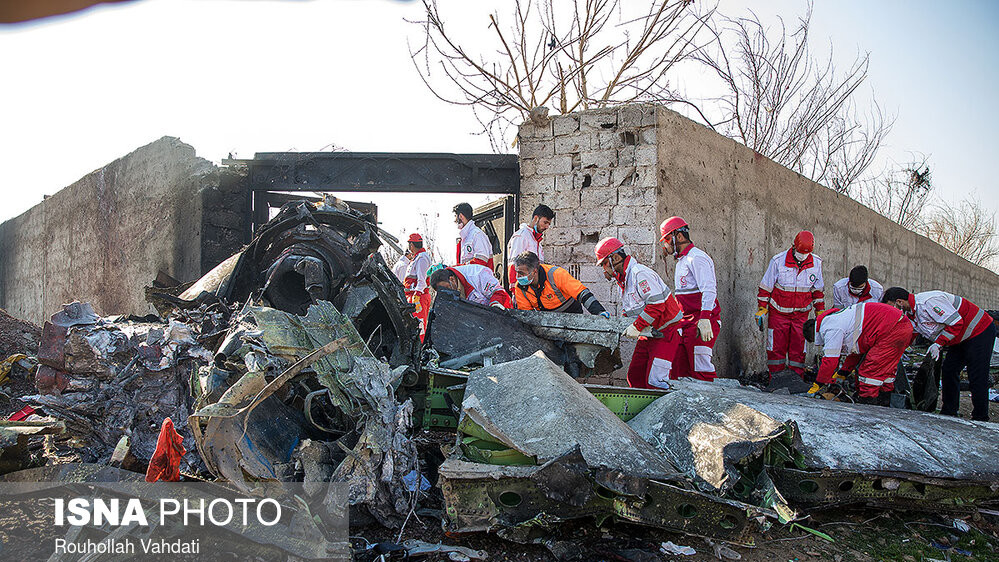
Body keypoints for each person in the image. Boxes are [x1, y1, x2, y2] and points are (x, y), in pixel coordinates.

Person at [883, 287, 996, 421]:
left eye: (892, 307)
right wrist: (895, 352)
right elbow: (910, 335)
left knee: (977, 376)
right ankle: (949, 411)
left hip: (979, 330)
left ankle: (981, 417)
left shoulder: (929, 302)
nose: (894, 311)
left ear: (899, 302)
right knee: (949, 370)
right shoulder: (912, 314)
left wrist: (938, 343)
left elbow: (956, 323)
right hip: (960, 337)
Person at [595, 237, 683, 390]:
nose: (604, 269)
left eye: (604, 263)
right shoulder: (623, 281)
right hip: (648, 333)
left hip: (666, 333)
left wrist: (636, 326)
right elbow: (631, 309)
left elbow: (656, 306)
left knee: (656, 382)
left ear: (615, 258)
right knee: (635, 376)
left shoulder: (639, 274)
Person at [803, 302, 913, 405]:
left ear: (814, 336)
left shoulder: (830, 327)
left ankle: (867, 409)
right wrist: (843, 373)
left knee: (870, 374)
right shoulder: (839, 319)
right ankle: (884, 403)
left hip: (892, 329)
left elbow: (830, 360)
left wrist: (818, 384)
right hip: (898, 325)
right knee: (884, 372)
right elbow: (856, 353)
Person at [756, 230, 825, 379]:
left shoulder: (816, 264)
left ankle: (795, 380)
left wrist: (820, 312)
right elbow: (765, 287)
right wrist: (762, 308)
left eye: (805, 253)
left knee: (798, 350)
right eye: (800, 252)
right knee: (775, 350)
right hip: (778, 314)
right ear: (793, 246)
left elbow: (817, 291)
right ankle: (775, 379)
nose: (802, 256)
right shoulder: (778, 261)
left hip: (801, 316)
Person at [660, 216, 720, 381]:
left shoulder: (697, 258)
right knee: (680, 370)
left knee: (701, 370)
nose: (665, 244)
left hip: (701, 321)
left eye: (666, 239)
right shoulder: (682, 261)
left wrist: (705, 318)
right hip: (686, 323)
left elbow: (708, 290)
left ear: (678, 236)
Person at [511, 251, 609, 316]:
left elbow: (582, 293)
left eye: (521, 273)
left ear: (534, 271)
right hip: (547, 320)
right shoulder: (520, 287)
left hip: (571, 314)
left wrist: (599, 312)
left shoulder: (556, 274)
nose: (518, 277)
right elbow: (527, 315)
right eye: (517, 272)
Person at [507, 205, 555, 289]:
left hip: (535, 288)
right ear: (536, 218)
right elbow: (513, 265)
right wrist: (515, 289)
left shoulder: (536, 241)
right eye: (545, 222)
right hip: (523, 289)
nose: (547, 227)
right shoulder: (521, 236)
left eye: (549, 224)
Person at [429, 264, 512, 309]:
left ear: (452, 279)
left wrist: (495, 307)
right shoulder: (449, 291)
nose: (446, 292)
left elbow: (499, 293)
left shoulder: (478, 274)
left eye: (446, 288)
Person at [403, 233, 432, 342]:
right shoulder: (416, 258)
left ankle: (419, 350)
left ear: (412, 245)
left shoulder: (422, 258)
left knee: (419, 326)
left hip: (418, 298)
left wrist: (417, 295)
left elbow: (422, 279)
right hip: (414, 297)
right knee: (414, 326)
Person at [453, 202, 494, 270]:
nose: (454, 220)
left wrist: (459, 268)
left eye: (455, 216)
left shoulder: (477, 234)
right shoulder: (465, 238)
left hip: (480, 280)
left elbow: (481, 261)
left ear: (460, 216)